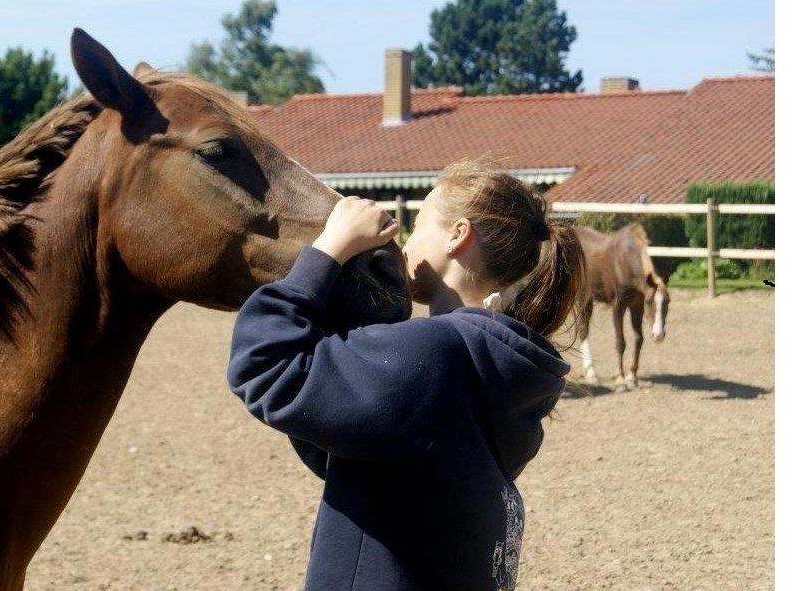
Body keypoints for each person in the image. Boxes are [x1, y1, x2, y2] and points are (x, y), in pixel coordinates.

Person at [226, 158, 587, 591]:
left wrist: (328, 250)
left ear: (458, 235)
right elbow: (347, 447)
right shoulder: (505, 372)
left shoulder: (436, 353)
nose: (408, 240)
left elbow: (265, 367)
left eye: (418, 224)